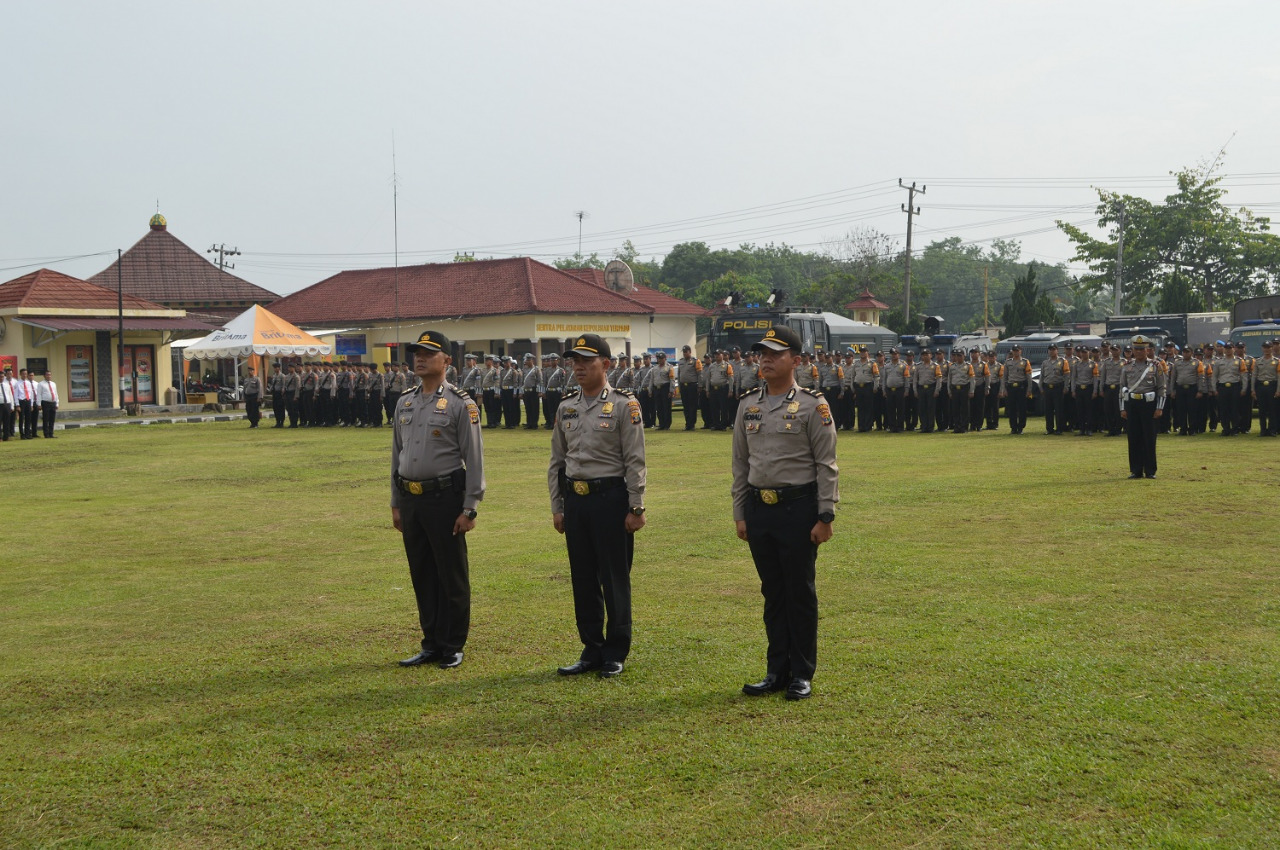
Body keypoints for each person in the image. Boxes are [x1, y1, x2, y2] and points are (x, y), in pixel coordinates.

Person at [732, 325, 838, 701]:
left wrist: (825, 515)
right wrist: (740, 512)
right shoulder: (749, 404)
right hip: (760, 510)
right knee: (772, 593)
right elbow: (740, 464)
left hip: (798, 509)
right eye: (762, 353)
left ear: (796, 360)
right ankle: (776, 670)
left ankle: (801, 673)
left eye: (775, 354)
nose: (766, 360)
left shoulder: (813, 405)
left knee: (799, 593)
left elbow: (826, 464)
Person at [548, 333, 647, 679]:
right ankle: (591, 648)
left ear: (605, 365)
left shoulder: (624, 405)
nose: (578, 367)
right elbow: (557, 461)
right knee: (583, 578)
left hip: (611, 500)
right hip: (576, 501)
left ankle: (615, 651)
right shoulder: (566, 406)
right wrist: (557, 506)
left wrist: (636, 507)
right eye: (574, 361)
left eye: (586, 361)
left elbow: (635, 460)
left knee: (614, 577)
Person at [391, 330, 485, 670]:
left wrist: (470, 507)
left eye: (428, 353)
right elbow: (396, 455)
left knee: (451, 574)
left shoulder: (461, 404)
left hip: (446, 498)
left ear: (447, 360)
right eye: (416, 353)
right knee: (423, 573)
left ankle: (452, 644)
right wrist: (395, 502)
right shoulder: (405, 401)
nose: (419, 358)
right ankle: (430, 641)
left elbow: (474, 459)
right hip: (412, 499)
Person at [1119, 335, 1166, 479]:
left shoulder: (1156, 365)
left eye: (1142, 349)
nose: (1139, 352)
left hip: (1149, 405)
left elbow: (1161, 387)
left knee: (1149, 438)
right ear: (1132, 350)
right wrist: (1122, 408)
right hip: (1132, 404)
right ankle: (1136, 470)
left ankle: (1150, 470)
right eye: (1136, 349)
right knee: (1133, 437)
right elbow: (1122, 388)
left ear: (1147, 350)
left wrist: (1159, 408)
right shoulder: (1127, 366)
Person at [999, 345, 1032, 434]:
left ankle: (1021, 427)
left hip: (1021, 387)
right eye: (1014, 351)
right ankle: (1013, 427)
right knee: (1011, 409)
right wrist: (1004, 389)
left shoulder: (1025, 362)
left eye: (1017, 350)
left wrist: (1029, 389)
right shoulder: (1008, 362)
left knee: (1022, 408)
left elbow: (1029, 377)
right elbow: (1004, 377)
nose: (1016, 352)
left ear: (1020, 351)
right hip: (1010, 387)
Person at [1254, 339, 1280, 436]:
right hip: (1261, 387)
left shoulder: (1277, 361)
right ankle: (1263, 430)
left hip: (1272, 386)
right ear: (1262, 348)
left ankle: (1272, 430)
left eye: (1269, 347)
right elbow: (1254, 376)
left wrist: (1278, 390)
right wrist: (1253, 389)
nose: (1267, 349)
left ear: (1272, 348)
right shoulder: (1257, 361)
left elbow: (1279, 377)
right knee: (1262, 410)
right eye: (1265, 347)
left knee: (1272, 410)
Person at [676, 344, 701, 430]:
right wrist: (679, 386)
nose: (684, 354)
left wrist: (699, 386)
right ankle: (687, 424)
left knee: (692, 406)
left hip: (692, 386)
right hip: (684, 386)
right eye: (683, 352)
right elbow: (679, 375)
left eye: (686, 352)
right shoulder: (681, 361)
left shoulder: (695, 361)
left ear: (690, 352)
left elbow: (699, 374)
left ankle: (692, 424)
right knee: (685, 406)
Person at [35, 371, 58, 437]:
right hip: (45, 402)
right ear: (44, 376)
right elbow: (39, 394)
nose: (49, 376)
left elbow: (56, 393)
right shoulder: (41, 384)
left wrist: (57, 403)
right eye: (47, 375)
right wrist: (39, 404)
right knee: (46, 419)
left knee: (52, 419)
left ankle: (51, 433)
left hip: (52, 402)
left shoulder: (53, 384)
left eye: (50, 375)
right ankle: (46, 433)